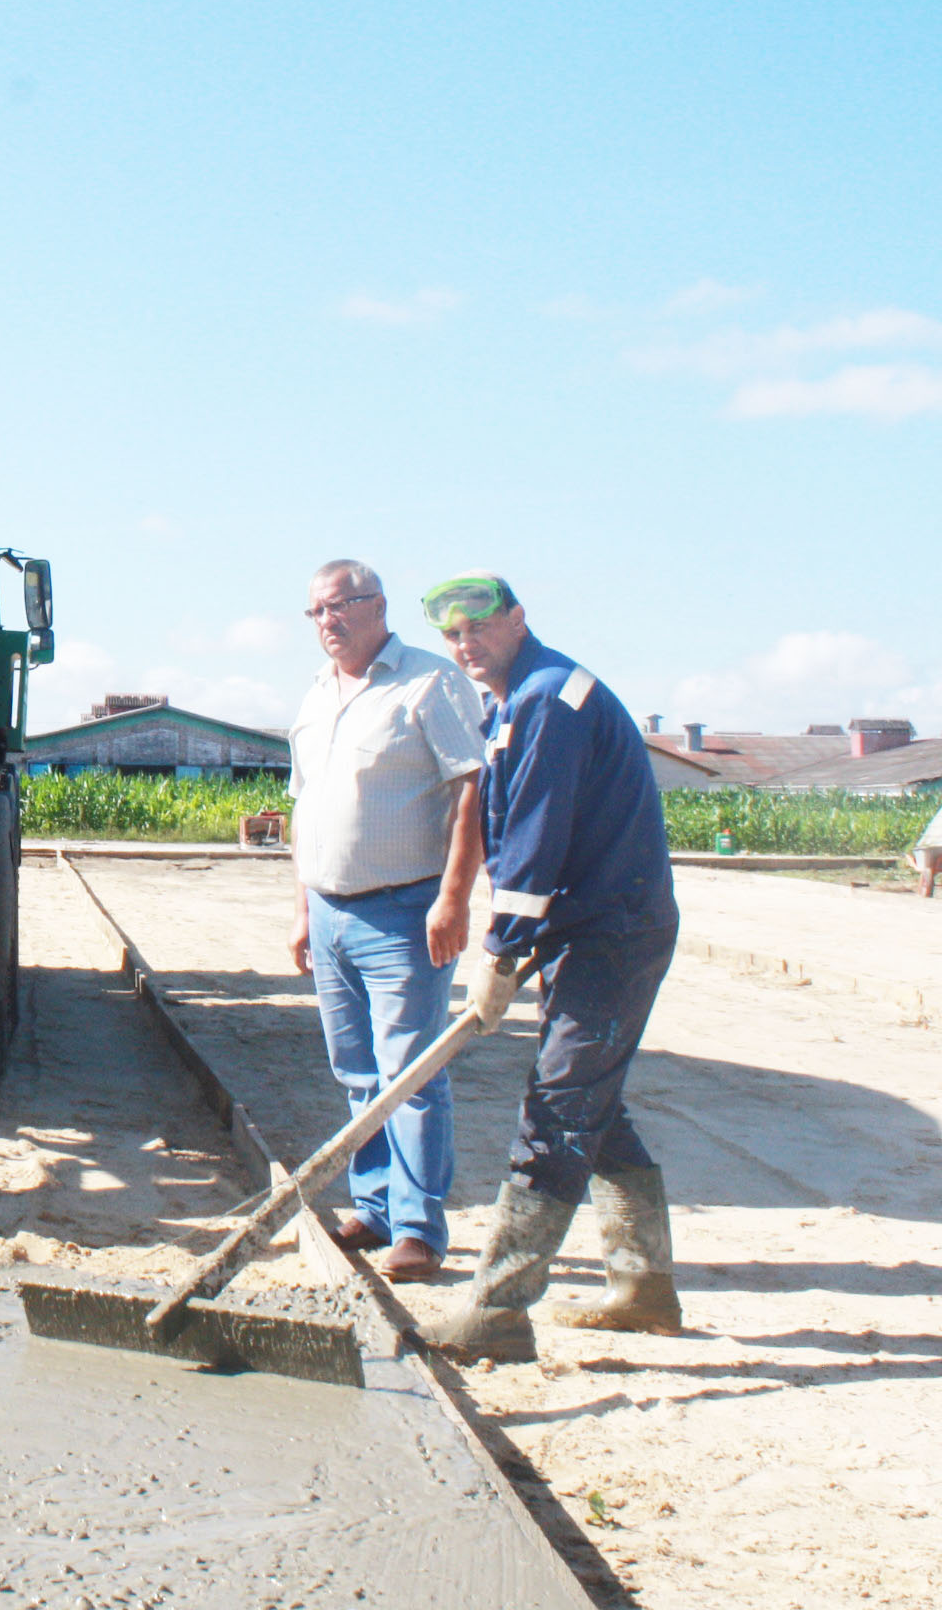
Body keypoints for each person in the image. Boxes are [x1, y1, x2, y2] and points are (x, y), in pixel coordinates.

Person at [421, 574, 684, 1363]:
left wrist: (500, 950)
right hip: (588, 924)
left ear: (517, 620)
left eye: (481, 627)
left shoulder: (546, 699)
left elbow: (535, 837)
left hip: (616, 927)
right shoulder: (511, 701)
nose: (468, 644)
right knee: (591, 1102)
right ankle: (645, 1289)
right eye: (454, 636)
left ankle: (497, 1311)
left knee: (560, 1108)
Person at [285, 559, 489, 1282]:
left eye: (341, 607)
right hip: (332, 912)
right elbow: (305, 809)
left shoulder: (430, 683)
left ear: (377, 607)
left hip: (405, 910)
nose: (327, 622)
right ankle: (371, 1209)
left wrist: (453, 898)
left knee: (411, 1072)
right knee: (358, 1071)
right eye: (316, 612)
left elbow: (474, 789)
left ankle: (419, 1230)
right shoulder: (315, 696)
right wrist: (305, 909)